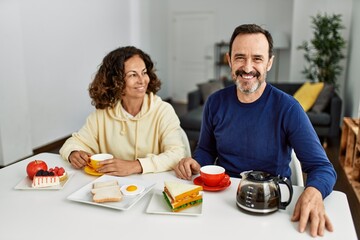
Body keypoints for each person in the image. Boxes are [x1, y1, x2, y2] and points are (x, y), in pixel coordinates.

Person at [174, 24, 336, 237]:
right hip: (222, 198)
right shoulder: (214, 103)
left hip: (270, 203)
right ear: (229, 60)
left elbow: (322, 167)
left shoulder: (288, 108)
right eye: (240, 57)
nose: (247, 67)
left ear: (269, 62)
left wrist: (313, 192)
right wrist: (194, 163)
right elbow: (205, 150)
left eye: (257, 59)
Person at [60, 46, 188, 176]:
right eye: (133, 74)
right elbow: (73, 143)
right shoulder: (102, 114)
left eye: (144, 72)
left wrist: (134, 166)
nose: (142, 80)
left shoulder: (163, 111)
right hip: (115, 185)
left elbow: (177, 154)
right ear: (116, 81)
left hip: (154, 185)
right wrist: (73, 153)